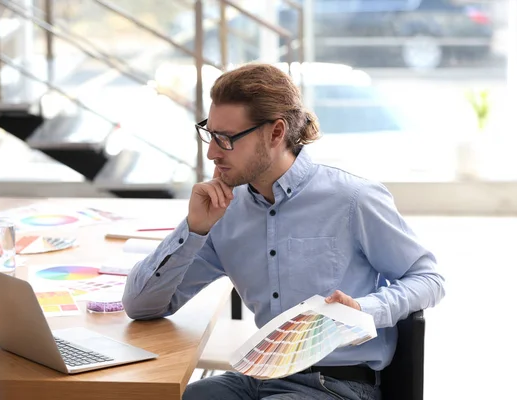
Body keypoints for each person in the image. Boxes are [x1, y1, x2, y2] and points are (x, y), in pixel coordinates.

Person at [122, 63, 445, 400]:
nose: (211, 152)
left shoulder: (353, 199)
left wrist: (365, 310)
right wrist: (193, 229)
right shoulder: (225, 212)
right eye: (209, 133)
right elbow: (141, 307)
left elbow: (428, 278)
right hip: (259, 377)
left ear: (276, 133)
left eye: (226, 139)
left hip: (337, 385)